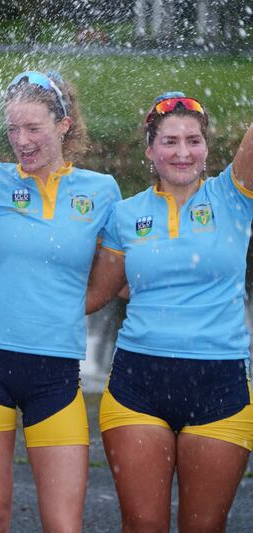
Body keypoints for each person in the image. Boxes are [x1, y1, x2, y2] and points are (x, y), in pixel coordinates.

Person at [0, 71, 121, 532]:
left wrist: (59, 311)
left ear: (63, 125)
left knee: (64, 524)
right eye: (12, 130)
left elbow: (111, 281)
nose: (20, 141)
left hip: (56, 374)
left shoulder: (101, 190)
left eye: (33, 129)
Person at [86, 92, 253, 532]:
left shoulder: (234, 195)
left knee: (204, 526)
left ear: (207, 147)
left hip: (221, 386)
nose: (183, 152)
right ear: (150, 150)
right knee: (142, 525)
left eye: (193, 140)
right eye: (169, 141)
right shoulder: (125, 214)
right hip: (138, 384)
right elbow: (100, 293)